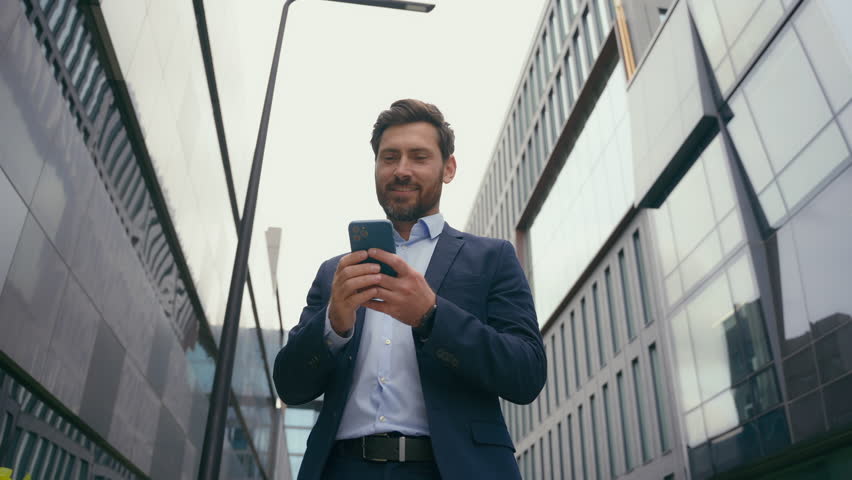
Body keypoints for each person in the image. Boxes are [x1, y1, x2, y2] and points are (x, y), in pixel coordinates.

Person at [274, 99, 546, 480]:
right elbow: (289, 385)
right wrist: (333, 326)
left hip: (453, 469)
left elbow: (526, 373)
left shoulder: (492, 258)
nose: (401, 170)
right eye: (389, 158)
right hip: (341, 469)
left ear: (448, 168)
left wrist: (433, 318)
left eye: (418, 157)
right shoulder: (335, 273)